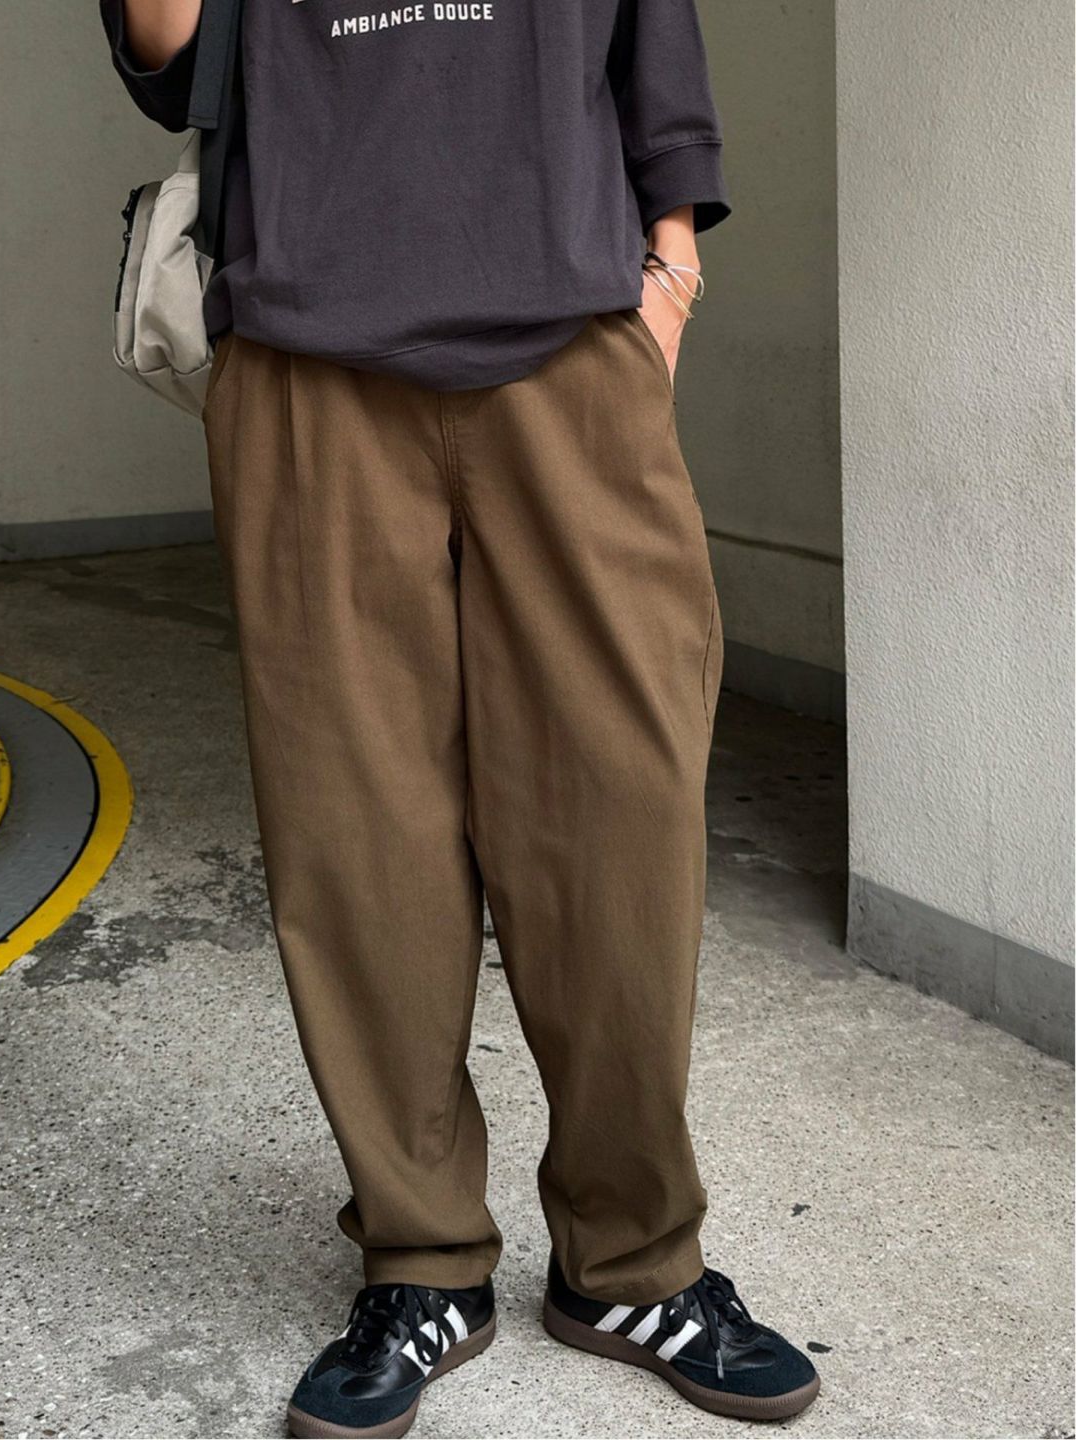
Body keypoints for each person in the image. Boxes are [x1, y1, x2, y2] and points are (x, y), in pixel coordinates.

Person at [100, 1, 820, 1434]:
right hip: (310, 361)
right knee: (356, 834)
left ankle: (633, 1261)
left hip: (573, 354)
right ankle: (421, 1261)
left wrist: (670, 279)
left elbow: (657, 68)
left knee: (622, 815)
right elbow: (172, 51)